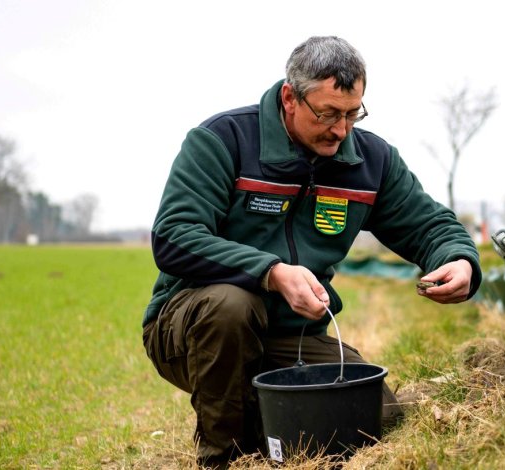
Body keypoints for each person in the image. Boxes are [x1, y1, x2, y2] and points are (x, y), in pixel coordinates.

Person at [141, 36, 481, 467]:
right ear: (290, 98)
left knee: (378, 416)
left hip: (290, 338)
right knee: (231, 304)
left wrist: (458, 258)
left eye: (352, 113)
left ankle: (267, 426)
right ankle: (225, 456)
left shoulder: (370, 161)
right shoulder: (222, 140)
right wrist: (272, 272)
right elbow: (174, 235)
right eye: (328, 114)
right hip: (191, 330)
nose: (341, 130)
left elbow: (429, 223)